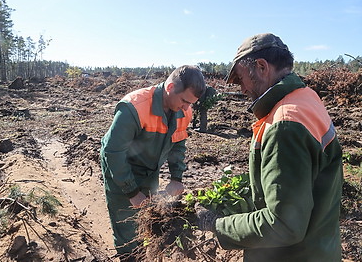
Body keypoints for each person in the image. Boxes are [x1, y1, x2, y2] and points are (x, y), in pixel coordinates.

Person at [196, 33, 343, 261]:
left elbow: (283, 224)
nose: (242, 89)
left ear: (262, 67)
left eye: (241, 79)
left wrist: (217, 224)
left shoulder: (284, 124)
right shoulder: (306, 98)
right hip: (319, 248)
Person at [100, 65, 206, 261]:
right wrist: (132, 192)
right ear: (171, 87)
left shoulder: (184, 111)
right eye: (184, 101)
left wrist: (176, 178)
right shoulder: (134, 107)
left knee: (149, 219)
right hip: (120, 166)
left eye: (190, 104)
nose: (186, 108)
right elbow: (113, 152)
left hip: (149, 169)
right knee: (127, 224)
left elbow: (178, 144)